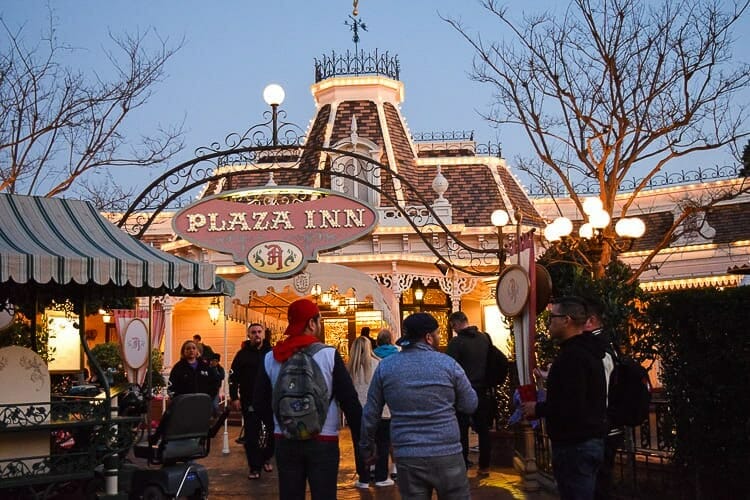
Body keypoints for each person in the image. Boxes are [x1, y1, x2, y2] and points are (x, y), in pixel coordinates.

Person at [360, 312, 477, 500]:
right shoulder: (448, 365)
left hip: (408, 455)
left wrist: (366, 447)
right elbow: (470, 403)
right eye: (437, 334)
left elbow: (371, 413)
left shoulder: (386, 367)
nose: (439, 337)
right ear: (429, 338)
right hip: (447, 453)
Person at [253, 298, 362, 500]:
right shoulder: (329, 355)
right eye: (318, 320)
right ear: (311, 323)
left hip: (285, 438)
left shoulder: (271, 357)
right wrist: (362, 439)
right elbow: (350, 402)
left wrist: (279, 424)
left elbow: (258, 401)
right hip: (324, 438)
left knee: (290, 494)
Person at [522, 296, 608, 500]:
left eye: (552, 317)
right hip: (589, 439)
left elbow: (571, 404)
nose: (549, 323)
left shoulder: (572, 357)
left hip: (575, 444)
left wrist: (538, 408)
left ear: (567, 320)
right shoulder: (588, 352)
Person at [584, 297, 625, 500]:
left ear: (590, 321)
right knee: (602, 480)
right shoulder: (610, 343)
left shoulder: (597, 348)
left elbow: (603, 388)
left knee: (598, 483)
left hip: (604, 427)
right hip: (611, 425)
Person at [446, 310, 493, 474]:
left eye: (453, 326)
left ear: (457, 324)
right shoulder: (484, 338)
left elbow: (450, 368)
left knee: (462, 429)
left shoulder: (456, 343)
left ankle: (463, 464)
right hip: (482, 389)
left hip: (463, 390)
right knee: (483, 428)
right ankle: (485, 465)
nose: (454, 329)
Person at [229, 323, 274, 480]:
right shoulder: (241, 355)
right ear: (249, 335)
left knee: (273, 432)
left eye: (259, 332)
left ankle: (267, 457)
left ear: (263, 334)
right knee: (251, 435)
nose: (256, 335)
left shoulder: (272, 353)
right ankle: (254, 467)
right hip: (250, 400)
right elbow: (233, 378)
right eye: (253, 332)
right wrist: (234, 397)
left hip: (270, 399)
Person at [347, 336, 393, 489]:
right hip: (381, 412)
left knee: (360, 445)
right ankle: (381, 477)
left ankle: (364, 478)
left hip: (358, 413)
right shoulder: (379, 364)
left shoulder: (350, 368)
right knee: (382, 444)